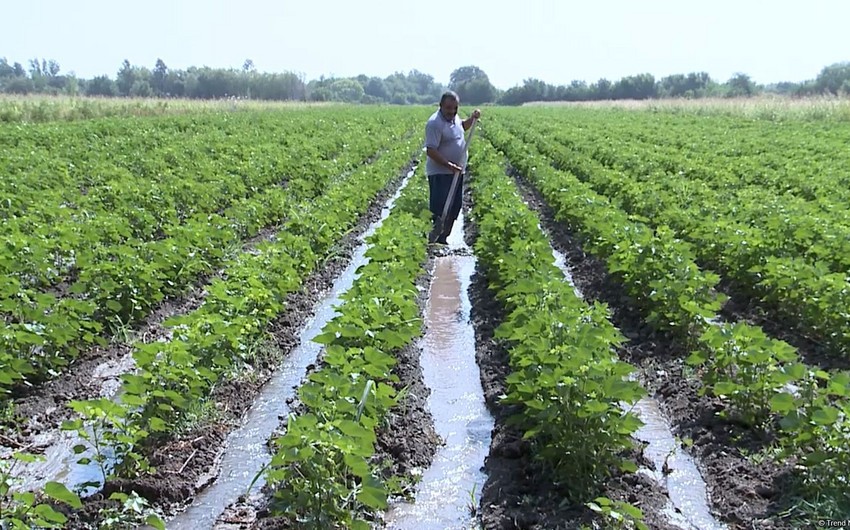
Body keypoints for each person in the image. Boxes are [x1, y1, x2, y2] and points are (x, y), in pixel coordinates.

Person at [424, 91, 481, 244]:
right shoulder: (434, 123)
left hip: (456, 172)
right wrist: (448, 165)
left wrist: (472, 119)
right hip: (440, 172)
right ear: (441, 106)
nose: (452, 111)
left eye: (455, 108)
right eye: (449, 108)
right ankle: (434, 240)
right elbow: (431, 150)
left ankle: (443, 238)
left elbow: (462, 127)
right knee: (440, 208)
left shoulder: (454, 118)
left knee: (455, 206)